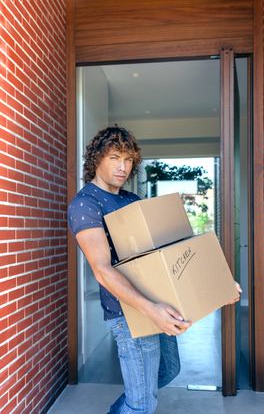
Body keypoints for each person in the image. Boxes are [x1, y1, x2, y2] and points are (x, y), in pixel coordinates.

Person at [68, 126, 241, 414]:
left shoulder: (131, 201)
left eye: (128, 159)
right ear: (97, 158)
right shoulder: (86, 204)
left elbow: (167, 251)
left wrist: (219, 284)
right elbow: (101, 269)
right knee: (142, 405)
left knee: (168, 371)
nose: (124, 167)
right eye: (114, 157)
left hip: (157, 302)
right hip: (130, 314)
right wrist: (151, 309)